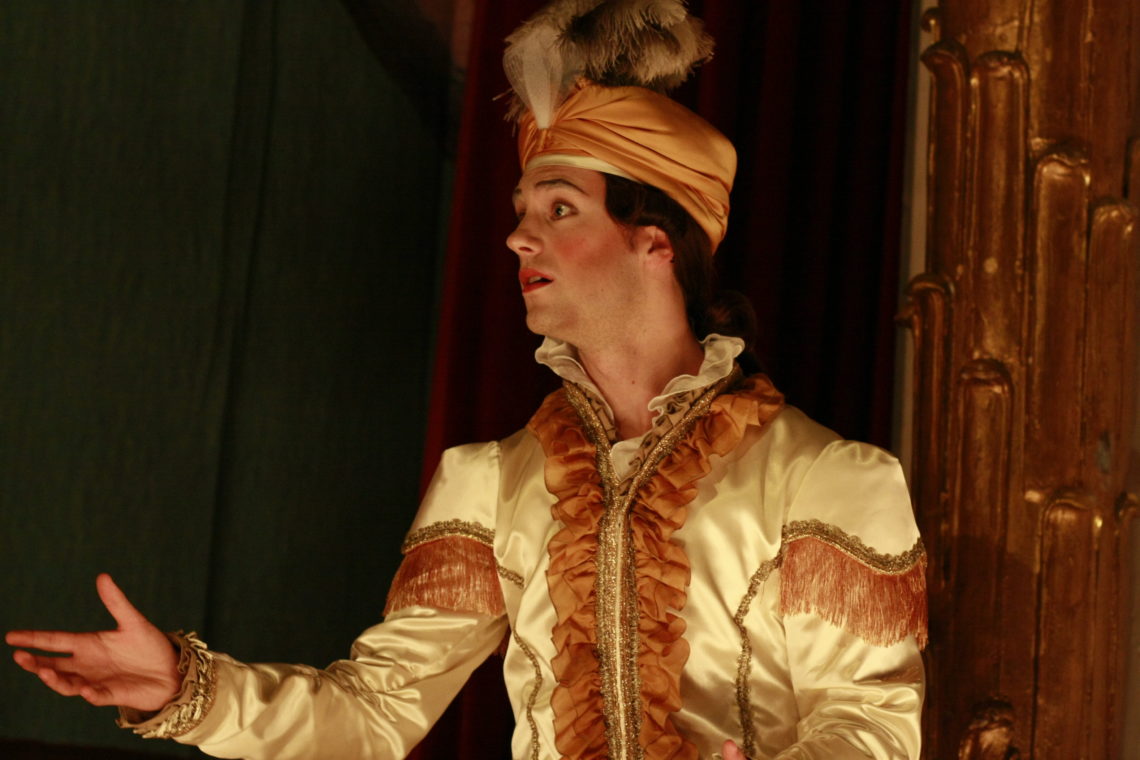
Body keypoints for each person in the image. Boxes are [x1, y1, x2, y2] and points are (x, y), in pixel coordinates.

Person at [6, 2, 927, 758]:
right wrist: (188, 691)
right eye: (522, 209)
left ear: (655, 242)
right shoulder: (491, 482)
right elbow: (374, 713)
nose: (520, 237)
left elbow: (871, 726)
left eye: (560, 208)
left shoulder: (826, 480)